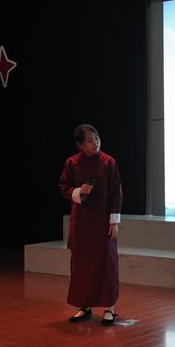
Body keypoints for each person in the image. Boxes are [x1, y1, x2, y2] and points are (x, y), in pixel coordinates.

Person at [58, 124, 123, 326]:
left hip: (102, 220)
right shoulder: (72, 163)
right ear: (80, 144)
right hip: (82, 221)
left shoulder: (108, 162)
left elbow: (116, 192)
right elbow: (64, 186)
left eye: (96, 138)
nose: (95, 143)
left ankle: (109, 307)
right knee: (82, 264)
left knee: (106, 263)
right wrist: (79, 191)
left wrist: (114, 221)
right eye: (89, 140)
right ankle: (84, 305)